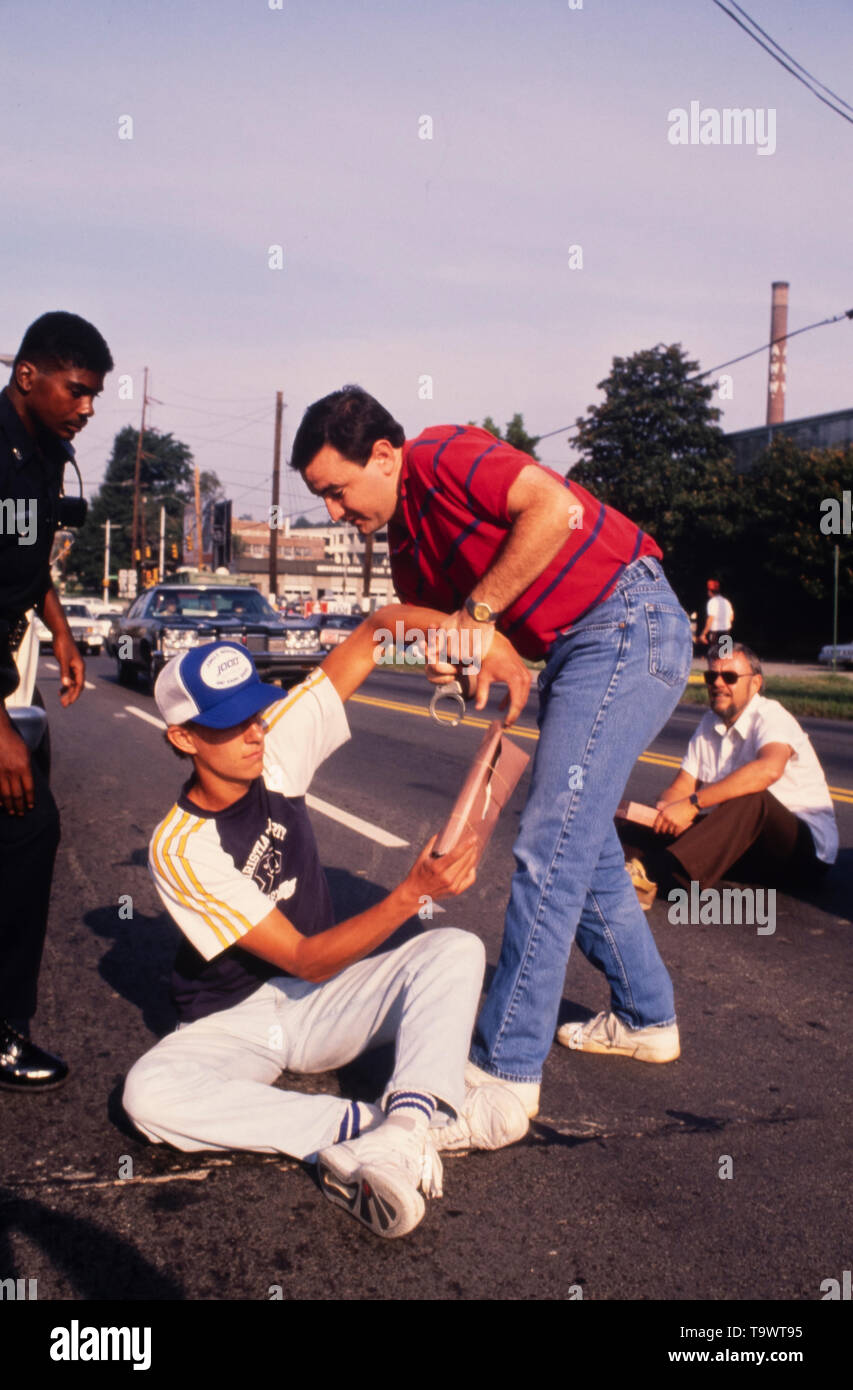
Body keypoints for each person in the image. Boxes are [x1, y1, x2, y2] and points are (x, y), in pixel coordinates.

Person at [290, 386, 694, 1113]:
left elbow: (553, 509)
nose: (333, 513)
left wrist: (475, 614)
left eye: (337, 490)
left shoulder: (443, 451)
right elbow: (448, 630)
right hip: (578, 649)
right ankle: (646, 1018)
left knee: (552, 837)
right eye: (321, 498)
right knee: (581, 829)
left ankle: (502, 1073)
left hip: (627, 620)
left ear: (383, 455)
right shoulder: (403, 544)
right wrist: (455, 658)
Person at [123, 612, 530, 1240]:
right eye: (228, 725)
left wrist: (479, 639)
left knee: (454, 947)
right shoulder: (178, 848)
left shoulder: (274, 747)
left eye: (255, 713)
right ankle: (390, 1125)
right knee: (147, 1094)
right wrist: (411, 894)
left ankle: (403, 1130)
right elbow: (304, 957)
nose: (253, 734)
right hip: (231, 1023)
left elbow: (374, 634)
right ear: (183, 739)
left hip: (320, 1001)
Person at [0, 311, 113, 1090]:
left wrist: (61, 630)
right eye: (78, 389)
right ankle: (5, 1034)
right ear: (28, 374)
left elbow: (23, 556)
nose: (88, 406)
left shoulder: (42, 453)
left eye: (96, 394)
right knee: (29, 827)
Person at [622, 644, 838, 897]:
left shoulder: (771, 715)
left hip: (802, 854)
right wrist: (665, 812)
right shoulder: (709, 723)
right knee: (628, 822)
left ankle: (653, 874)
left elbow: (768, 770)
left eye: (730, 677)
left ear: (755, 684)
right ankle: (611, 867)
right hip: (747, 849)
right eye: (711, 676)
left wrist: (692, 805)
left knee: (753, 799)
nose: (718, 683)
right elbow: (683, 786)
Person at [699, 579, 733, 648]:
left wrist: (703, 634)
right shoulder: (726, 602)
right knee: (725, 656)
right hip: (726, 632)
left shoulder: (712, 602)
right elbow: (731, 617)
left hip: (715, 634)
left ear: (710, 591)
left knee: (714, 656)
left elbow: (711, 618)